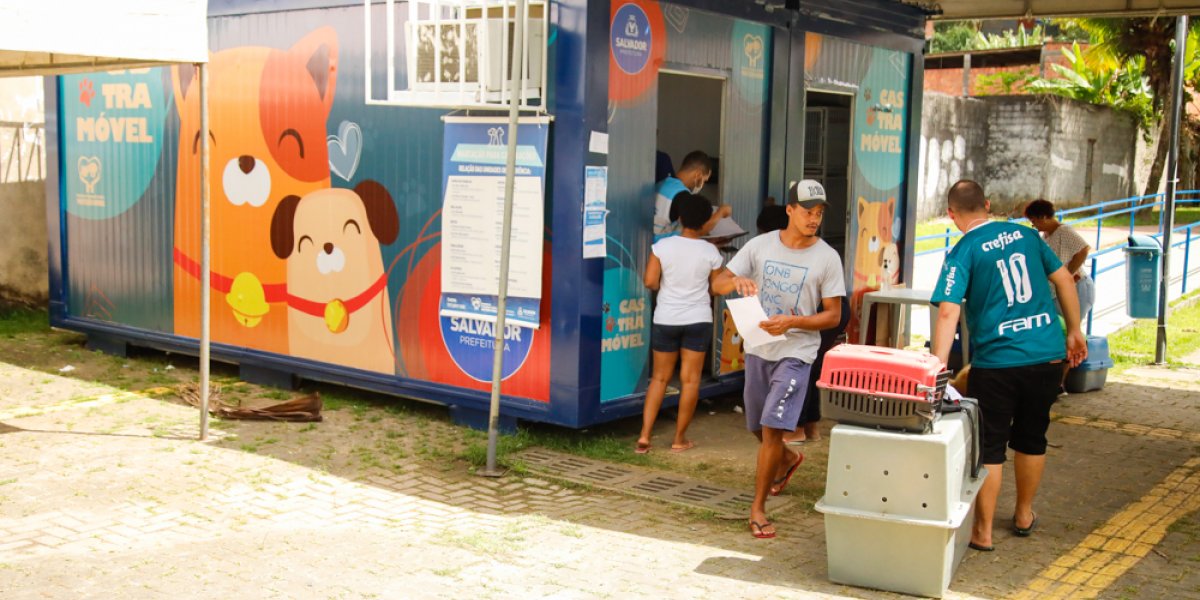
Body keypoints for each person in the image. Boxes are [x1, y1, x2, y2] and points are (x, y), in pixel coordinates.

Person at [930, 180, 1087, 553]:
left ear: (952, 215)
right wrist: (1075, 331)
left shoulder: (963, 250)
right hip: (1046, 356)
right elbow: (1065, 278)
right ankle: (1023, 515)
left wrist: (937, 366)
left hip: (997, 362)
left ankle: (982, 532)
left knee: (992, 445)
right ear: (987, 204)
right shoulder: (1028, 236)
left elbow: (949, 310)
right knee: (1033, 437)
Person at [711, 179, 845, 539]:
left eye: (818, 213)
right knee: (756, 426)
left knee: (772, 429)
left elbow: (833, 315)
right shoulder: (760, 246)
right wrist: (736, 282)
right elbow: (717, 284)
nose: (813, 219)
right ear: (790, 210)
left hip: (797, 353)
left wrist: (794, 322)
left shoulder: (827, 257)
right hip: (758, 349)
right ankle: (786, 460)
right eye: (807, 211)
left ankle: (757, 509)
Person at [637, 194, 724, 454]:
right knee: (690, 381)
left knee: (660, 379)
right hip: (698, 319)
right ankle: (679, 439)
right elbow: (716, 289)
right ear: (706, 221)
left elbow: (650, 282)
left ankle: (644, 437)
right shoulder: (711, 251)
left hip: (666, 318)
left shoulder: (663, 246)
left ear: (681, 218)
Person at [1023, 199, 1095, 322]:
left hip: (1077, 288)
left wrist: (1067, 275)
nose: (1033, 225)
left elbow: (1083, 249)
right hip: (1057, 291)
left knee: (1070, 328)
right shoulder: (1045, 236)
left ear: (1044, 217)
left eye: (1034, 221)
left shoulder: (1063, 231)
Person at [654, 150, 730, 242]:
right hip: (661, 248)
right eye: (704, 180)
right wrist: (721, 213)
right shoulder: (681, 194)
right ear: (698, 175)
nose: (702, 185)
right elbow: (696, 231)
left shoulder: (664, 183)